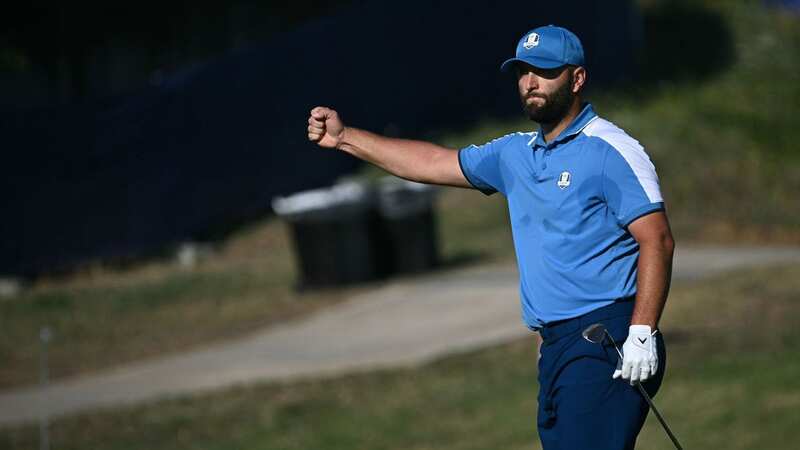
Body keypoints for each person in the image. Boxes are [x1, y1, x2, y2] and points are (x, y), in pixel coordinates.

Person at [307, 24, 674, 450]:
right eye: (522, 72)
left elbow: (657, 240)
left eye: (545, 71)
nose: (530, 82)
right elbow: (433, 162)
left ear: (577, 79)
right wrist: (345, 138)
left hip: (609, 337)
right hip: (558, 346)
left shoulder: (611, 149)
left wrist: (643, 332)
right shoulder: (515, 153)